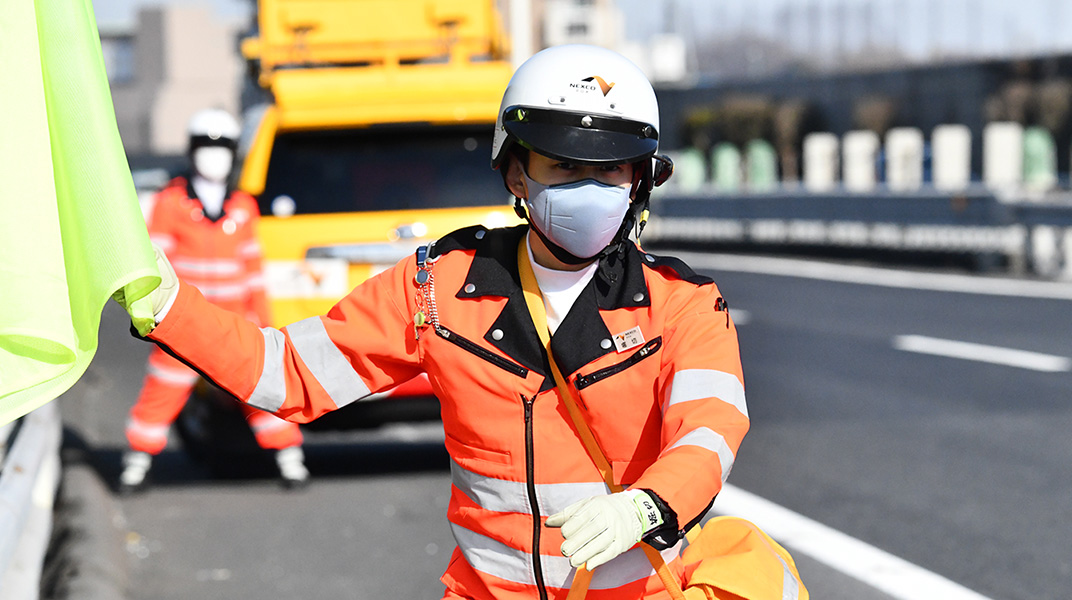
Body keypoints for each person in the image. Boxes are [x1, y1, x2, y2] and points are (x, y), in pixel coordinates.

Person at [126, 45, 748, 599]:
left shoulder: (682, 302)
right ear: (516, 174)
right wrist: (170, 308)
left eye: (610, 169)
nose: (588, 185)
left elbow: (711, 430)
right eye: (563, 166)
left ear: (640, 179)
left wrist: (648, 506)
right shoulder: (436, 287)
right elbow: (289, 374)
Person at [119, 108, 309, 494]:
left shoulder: (243, 207)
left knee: (262, 387)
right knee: (163, 392)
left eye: (222, 147)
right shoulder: (171, 203)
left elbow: (254, 272)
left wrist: (266, 322)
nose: (214, 156)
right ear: (191, 151)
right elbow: (156, 260)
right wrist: (152, 318)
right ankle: (135, 467)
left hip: (235, 322)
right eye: (206, 146)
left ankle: (291, 462)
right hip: (182, 322)